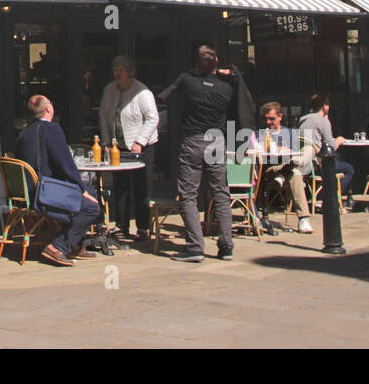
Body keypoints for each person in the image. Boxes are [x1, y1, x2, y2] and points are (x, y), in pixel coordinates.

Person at [157, 41, 256, 263]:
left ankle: (195, 247)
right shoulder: (226, 86)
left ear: (196, 63)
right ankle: (226, 245)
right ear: (217, 62)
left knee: (188, 195)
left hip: (193, 140)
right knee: (221, 193)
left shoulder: (187, 80)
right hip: (217, 140)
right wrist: (222, 71)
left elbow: (163, 96)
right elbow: (237, 75)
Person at [15, 94, 100, 266]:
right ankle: (58, 246)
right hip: (45, 195)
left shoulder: (24, 134)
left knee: (91, 193)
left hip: (29, 193)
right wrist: (80, 188)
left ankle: (76, 244)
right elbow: (65, 164)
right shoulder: (52, 129)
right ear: (48, 108)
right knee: (92, 207)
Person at [99, 56, 159, 242]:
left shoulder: (142, 92)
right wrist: (107, 143)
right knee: (120, 187)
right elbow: (104, 117)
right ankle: (121, 225)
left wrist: (140, 141)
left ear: (129, 71)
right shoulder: (109, 90)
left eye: (121, 69)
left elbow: (152, 118)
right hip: (120, 147)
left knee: (141, 188)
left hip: (142, 147)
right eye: (115, 69)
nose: (117, 73)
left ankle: (142, 227)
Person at [253, 102, 313, 233]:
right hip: (268, 170)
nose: (268, 122)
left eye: (272, 118)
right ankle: (303, 218)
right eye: (266, 119)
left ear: (280, 117)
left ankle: (303, 219)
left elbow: (295, 153)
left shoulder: (290, 133)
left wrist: (286, 149)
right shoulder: (260, 134)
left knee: (295, 171)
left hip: (288, 168)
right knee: (293, 170)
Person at [298, 93, 355, 212]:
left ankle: (321, 197)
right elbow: (330, 147)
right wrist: (338, 141)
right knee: (349, 169)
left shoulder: (302, 120)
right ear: (325, 106)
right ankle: (330, 198)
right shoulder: (322, 122)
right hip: (320, 163)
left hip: (308, 164)